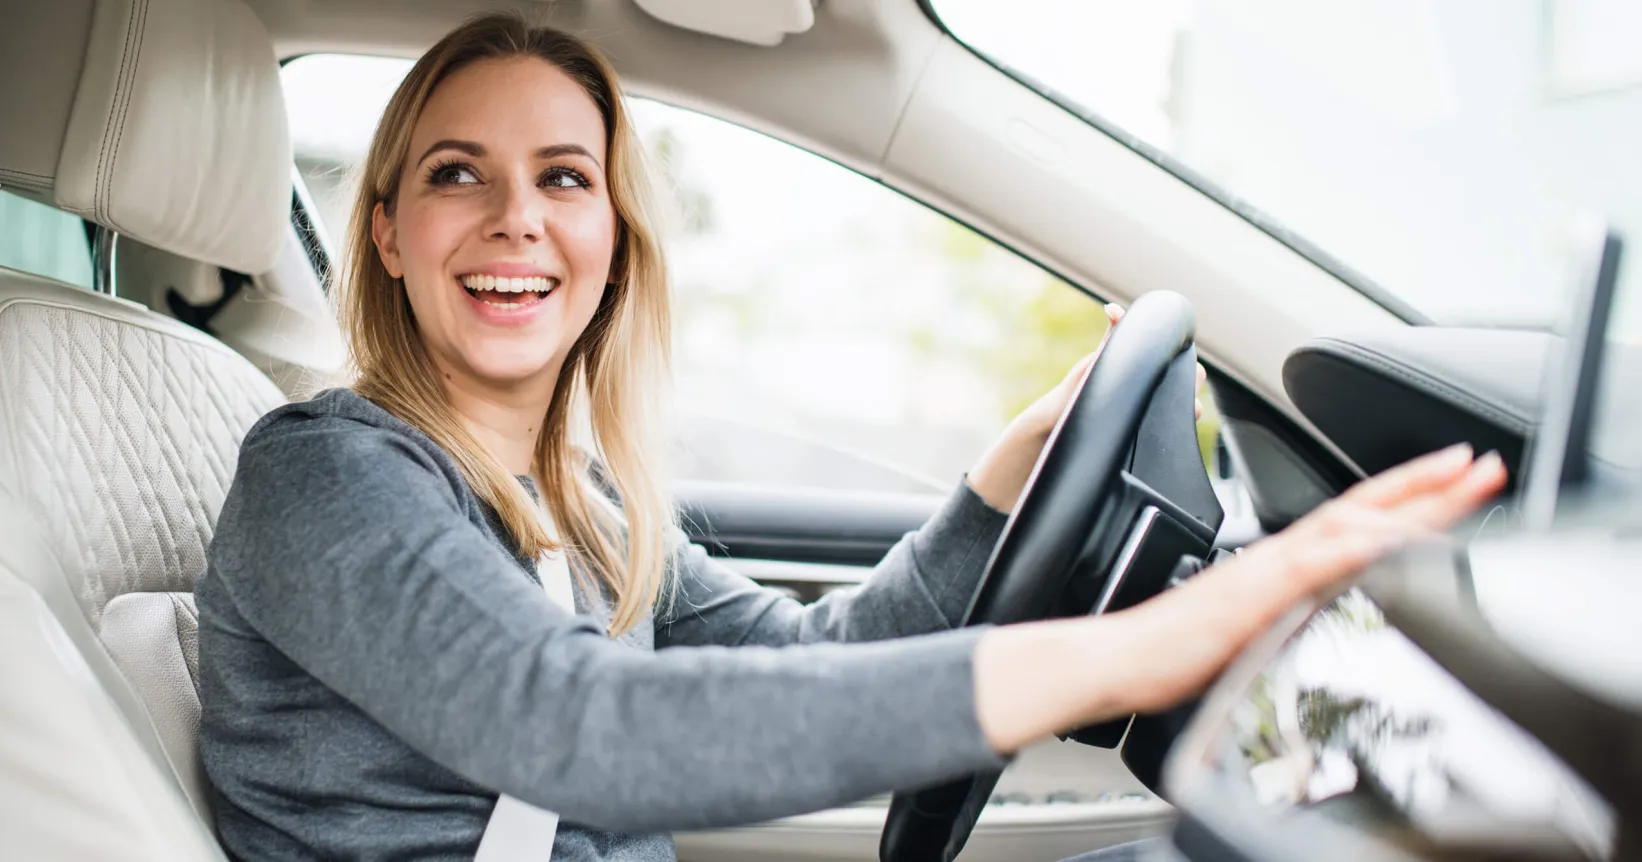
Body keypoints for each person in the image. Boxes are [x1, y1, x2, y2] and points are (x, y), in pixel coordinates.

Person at [194, 12, 1507, 862]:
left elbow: (806, 658)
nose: (514, 218)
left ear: (611, 244)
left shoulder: (576, 500)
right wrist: (1138, 646)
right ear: (386, 233)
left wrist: (1010, 471)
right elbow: (580, 727)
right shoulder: (327, 476)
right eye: (455, 172)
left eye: (563, 177)